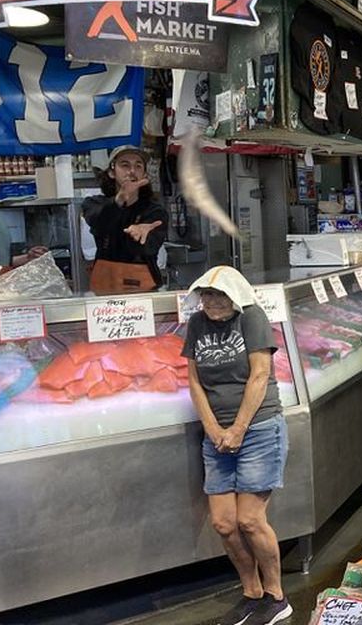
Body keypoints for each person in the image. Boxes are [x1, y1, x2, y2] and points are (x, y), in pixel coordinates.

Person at [182, 266, 292, 625]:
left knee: (250, 519)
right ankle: (252, 592)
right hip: (217, 435)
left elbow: (260, 374)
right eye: (207, 296)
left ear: (236, 297)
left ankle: (277, 597)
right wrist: (213, 428)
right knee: (224, 524)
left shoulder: (253, 318)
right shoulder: (197, 324)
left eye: (220, 296)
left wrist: (239, 427)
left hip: (258, 429)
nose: (212, 302)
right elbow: (194, 381)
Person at [83, 146, 167, 293]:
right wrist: (120, 199)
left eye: (138, 166)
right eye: (125, 165)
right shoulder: (94, 204)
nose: (132, 171)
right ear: (111, 172)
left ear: (145, 175)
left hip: (143, 289)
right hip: (105, 289)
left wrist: (141, 233)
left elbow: (149, 247)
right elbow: (99, 223)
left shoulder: (155, 210)